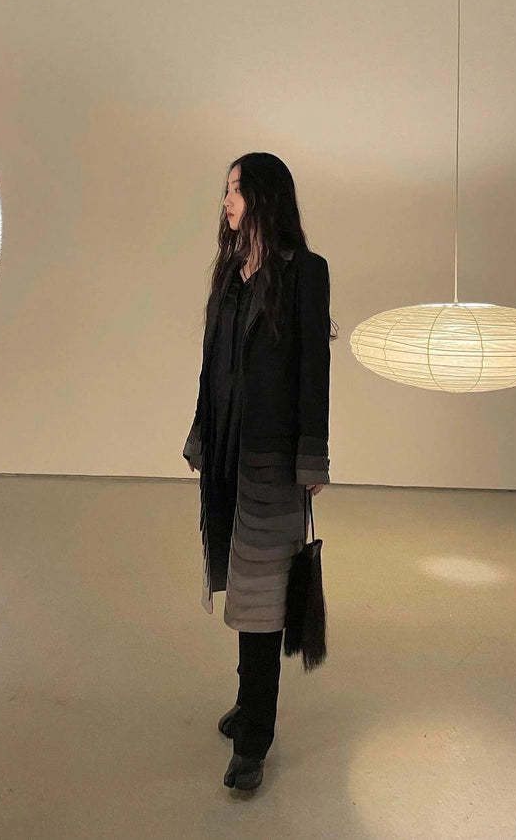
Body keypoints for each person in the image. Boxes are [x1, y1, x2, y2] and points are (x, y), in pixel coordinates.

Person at [182, 152, 334, 791]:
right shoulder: (231, 271)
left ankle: (254, 739)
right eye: (226, 190)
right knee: (242, 583)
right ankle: (249, 701)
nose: (226, 201)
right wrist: (201, 431)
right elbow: (211, 361)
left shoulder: (305, 272)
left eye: (236, 190)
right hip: (228, 453)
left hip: (273, 458)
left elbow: (314, 370)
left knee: (263, 596)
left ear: (265, 196)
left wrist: (312, 453)